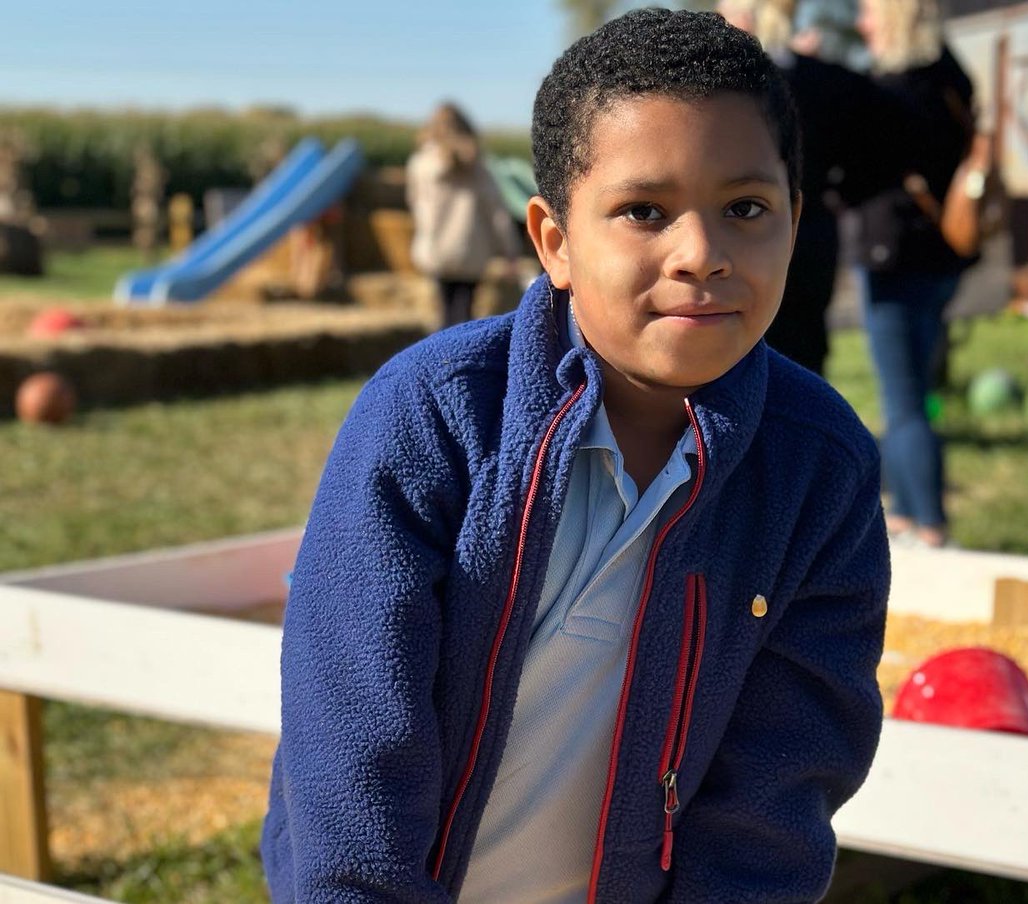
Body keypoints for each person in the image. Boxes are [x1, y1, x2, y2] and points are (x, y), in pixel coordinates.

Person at [262, 9, 889, 903]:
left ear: (792, 219)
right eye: (644, 211)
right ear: (555, 240)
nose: (700, 254)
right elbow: (353, 752)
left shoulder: (820, 469)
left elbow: (774, 800)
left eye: (745, 209)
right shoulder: (433, 418)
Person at [717, 0, 940, 377]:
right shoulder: (828, 80)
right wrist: (840, 192)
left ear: (744, 16)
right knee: (803, 361)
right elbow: (901, 139)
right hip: (811, 233)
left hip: (740, 237)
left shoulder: (723, 86)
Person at [851, 0, 976, 549]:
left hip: (894, 256)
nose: (863, 25)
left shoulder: (889, 93)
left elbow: (858, 175)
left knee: (902, 404)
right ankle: (902, 513)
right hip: (944, 254)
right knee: (917, 392)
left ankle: (929, 525)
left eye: (870, 14)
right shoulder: (954, 79)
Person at [406, 102, 519, 328]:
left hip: (436, 249)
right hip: (471, 250)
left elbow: (415, 204)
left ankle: (440, 359)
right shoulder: (479, 167)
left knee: (444, 311)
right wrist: (510, 251)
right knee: (464, 312)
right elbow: (496, 212)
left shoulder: (420, 164)